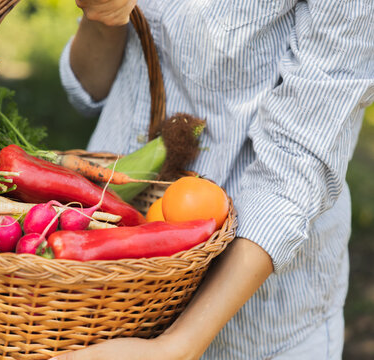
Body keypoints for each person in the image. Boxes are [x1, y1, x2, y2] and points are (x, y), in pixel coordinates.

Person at [52, 0, 374, 359]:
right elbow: (89, 91)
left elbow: (298, 162)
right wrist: (103, 16)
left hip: (246, 326)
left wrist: (176, 348)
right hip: (95, 298)